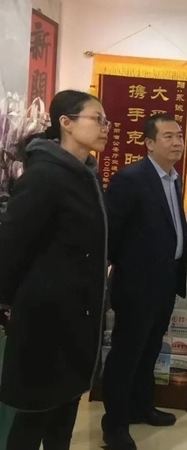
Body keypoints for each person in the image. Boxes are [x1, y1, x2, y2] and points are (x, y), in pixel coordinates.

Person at [0, 90, 110, 450]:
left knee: (64, 413)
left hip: (78, 317)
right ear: (66, 123)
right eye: (97, 119)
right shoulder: (45, 176)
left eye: (106, 121)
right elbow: (12, 245)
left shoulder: (86, 175)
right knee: (34, 416)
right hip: (46, 319)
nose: (105, 127)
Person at [101, 113, 187, 449]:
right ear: (149, 143)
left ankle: (140, 406)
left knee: (149, 351)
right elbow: (111, 233)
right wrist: (122, 270)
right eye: (168, 136)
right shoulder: (131, 178)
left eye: (179, 135)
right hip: (136, 286)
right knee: (126, 355)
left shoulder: (173, 179)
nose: (177, 142)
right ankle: (114, 425)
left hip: (165, 283)